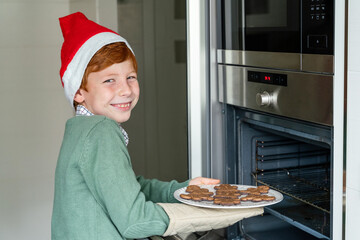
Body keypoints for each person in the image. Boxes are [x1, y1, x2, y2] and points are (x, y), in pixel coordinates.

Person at [51, 12, 263, 240]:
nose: (125, 90)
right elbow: (135, 222)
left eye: (130, 77)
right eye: (109, 80)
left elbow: (130, 188)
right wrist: (212, 214)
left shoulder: (80, 129)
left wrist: (182, 190)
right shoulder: (101, 130)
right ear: (79, 92)